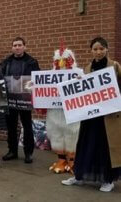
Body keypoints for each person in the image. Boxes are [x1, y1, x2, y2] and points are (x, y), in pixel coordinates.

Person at [62, 37, 121, 192]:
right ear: (91, 51)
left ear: (107, 49)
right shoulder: (87, 69)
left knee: (105, 147)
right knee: (86, 145)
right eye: (95, 49)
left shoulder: (114, 66)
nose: (98, 52)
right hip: (90, 116)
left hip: (108, 117)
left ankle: (108, 180)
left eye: (101, 48)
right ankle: (80, 176)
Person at [1, 37, 40, 164]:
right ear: (12, 48)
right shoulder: (6, 62)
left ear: (24, 46)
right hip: (10, 99)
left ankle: (28, 153)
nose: (17, 47)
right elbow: (0, 77)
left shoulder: (32, 62)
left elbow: (37, 79)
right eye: (15, 45)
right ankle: (12, 151)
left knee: (27, 126)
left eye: (19, 45)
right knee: (11, 126)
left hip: (24, 100)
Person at [46, 45, 80, 174]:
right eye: (59, 60)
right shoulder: (49, 78)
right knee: (56, 134)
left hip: (71, 111)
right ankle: (61, 160)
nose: (61, 63)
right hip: (55, 111)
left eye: (65, 60)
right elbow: (42, 90)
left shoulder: (78, 75)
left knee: (72, 133)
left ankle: (72, 160)